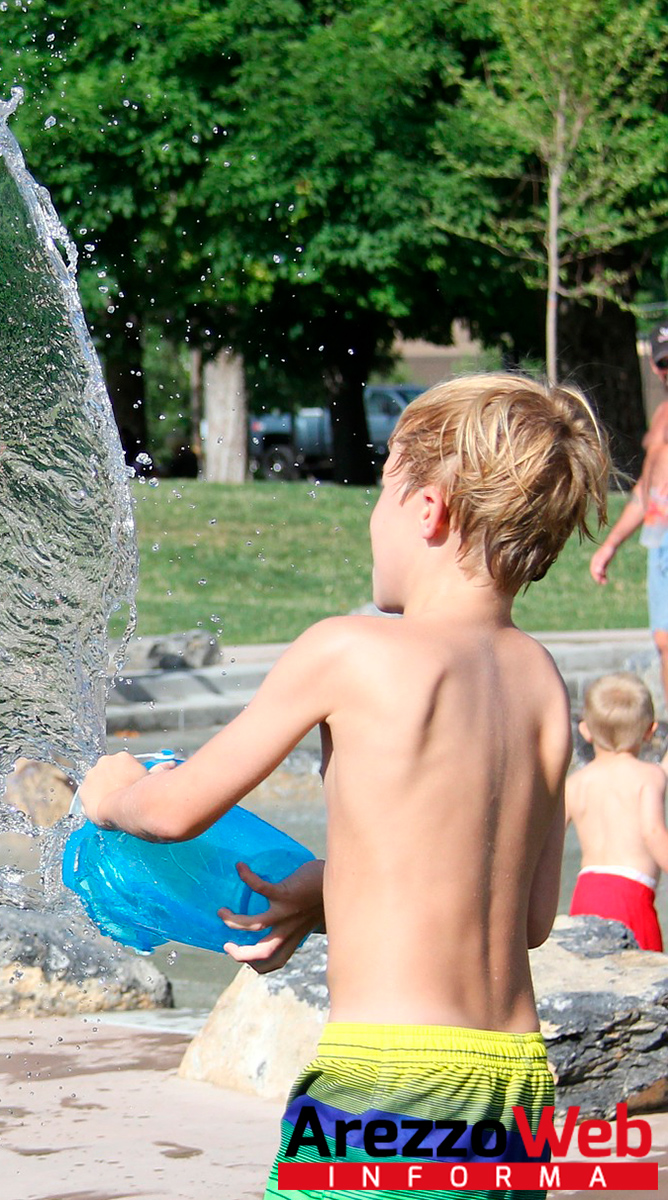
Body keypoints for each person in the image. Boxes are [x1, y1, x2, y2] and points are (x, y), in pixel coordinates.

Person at [79, 373, 611, 1197]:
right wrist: (330, 887)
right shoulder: (542, 683)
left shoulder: (352, 650)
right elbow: (527, 915)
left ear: (428, 509)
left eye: (381, 490)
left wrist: (110, 792)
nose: (372, 517)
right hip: (515, 1085)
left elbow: (176, 810)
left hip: (386, 1080)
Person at [564, 671, 668, 951]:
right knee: (645, 984)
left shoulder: (575, 784)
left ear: (585, 730)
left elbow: (545, 838)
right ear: (650, 731)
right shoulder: (649, 776)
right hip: (631, 896)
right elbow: (653, 832)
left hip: (585, 893)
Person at [589, 394, 668, 700]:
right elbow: (647, 490)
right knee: (663, 642)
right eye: (662, 364)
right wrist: (611, 543)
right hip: (658, 538)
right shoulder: (661, 412)